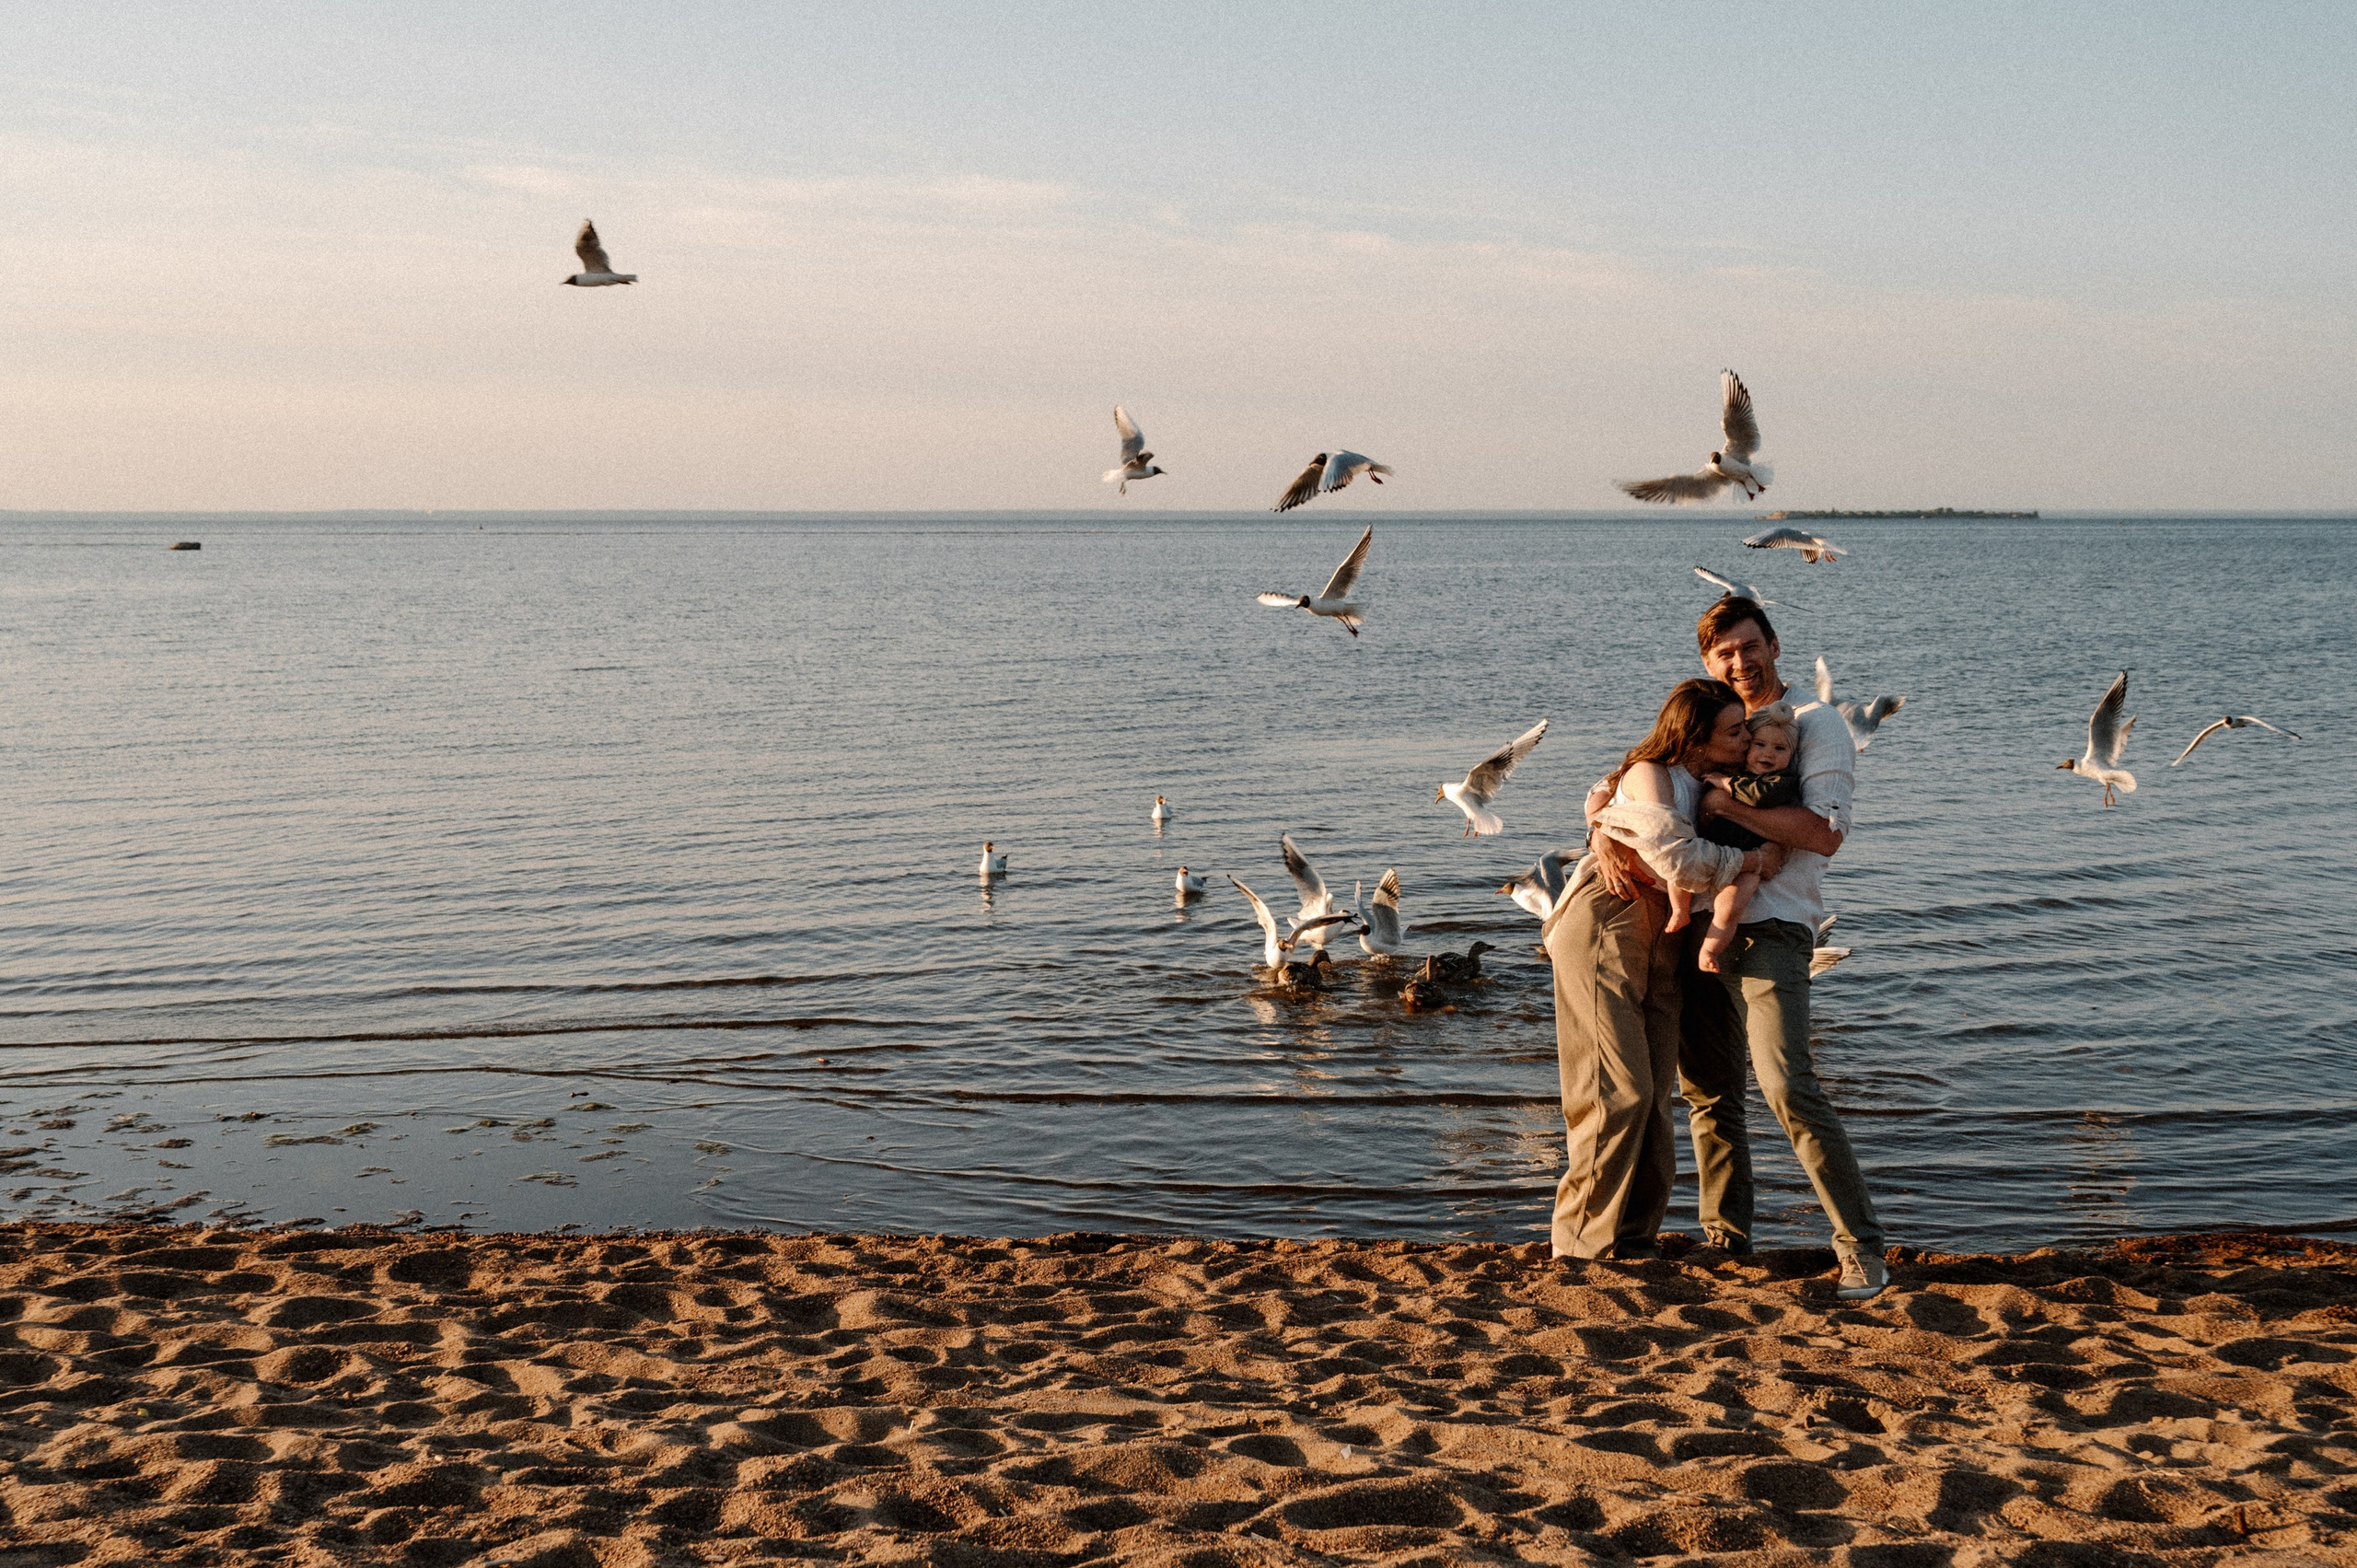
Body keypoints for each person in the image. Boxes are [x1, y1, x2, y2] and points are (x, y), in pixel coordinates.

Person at [1586, 598, 1889, 1301]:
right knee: (1708, 1092)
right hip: (1696, 931)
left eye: (1749, 646)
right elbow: (1631, 774)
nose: (1739, 661)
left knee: (1788, 1085)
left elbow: (1824, 832)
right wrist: (1602, 826)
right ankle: (1728, 1238)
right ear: (1707, 662)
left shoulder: (1817, 725)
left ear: (1775, 645)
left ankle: (1863, 1249)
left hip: (1775, 929)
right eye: (1723, 652)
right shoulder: (1712, 725)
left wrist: (1730, 811)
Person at [1543, 679, 1786, 1260]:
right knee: (1613, 1090)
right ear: (1695, 738)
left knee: (1652, 1095)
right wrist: (1752, 860)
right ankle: (1579, 1248)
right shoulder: (1653, 772)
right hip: (1608, 919)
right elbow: (1675, 857)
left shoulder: (1716, 780)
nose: (1747, 738)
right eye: (1733, 731)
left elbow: (1601, 801)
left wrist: (1600, 823)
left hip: (1664, 937)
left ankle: (1631, 1238)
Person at [1689, 703, 1801, 974]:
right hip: (1717, 848)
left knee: (1731, 906)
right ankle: (1679, 914)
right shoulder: (1735, 771)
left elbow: (1759, 795)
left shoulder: (1782, 781)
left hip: (1751, 858)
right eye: (1760, 744)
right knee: (1681, 876)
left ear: (1791, 754)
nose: (1768, 754)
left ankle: (1711, 949)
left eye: (1780, 749)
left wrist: (1725, 785)